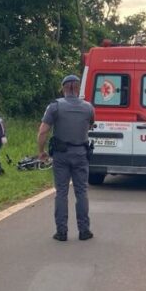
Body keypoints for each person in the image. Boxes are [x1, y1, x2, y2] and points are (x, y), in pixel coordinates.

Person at [38, 74, 95, 242]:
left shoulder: (54, 106)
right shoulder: (89, 107)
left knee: (61, 192)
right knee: (81, 192)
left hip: (61, 155)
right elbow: (90, 125)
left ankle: (61, 232)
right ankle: (84, 231)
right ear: (78, 88)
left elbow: (42, 131)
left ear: (64, 88)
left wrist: (41, 151)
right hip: (81, 154)